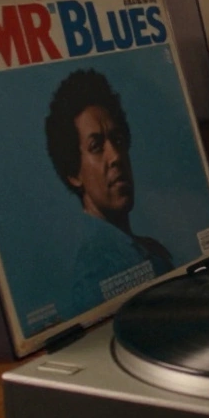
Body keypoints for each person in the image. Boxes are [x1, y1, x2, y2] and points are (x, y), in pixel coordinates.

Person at [45, 69, 173, 310]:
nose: (115, 156)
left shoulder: (147, 249)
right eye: (96, 147)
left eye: (118, 140)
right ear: (74, 174)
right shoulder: (95, 271)